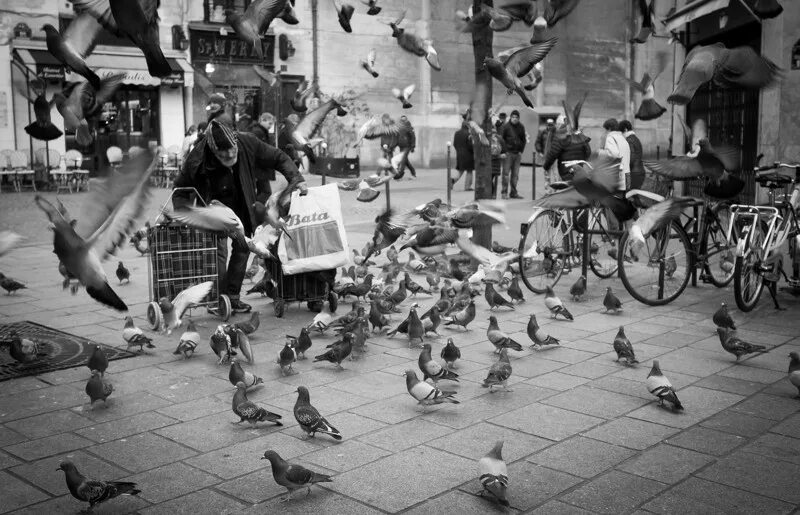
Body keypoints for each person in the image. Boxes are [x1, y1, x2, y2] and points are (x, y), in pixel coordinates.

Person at [173, 116, 307, 314]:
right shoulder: (198, 158)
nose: (229, 153)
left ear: (235, 140)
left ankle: (232, 298)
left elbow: (278, 157)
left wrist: (296, 178)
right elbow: (181, 188)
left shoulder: (247, 142)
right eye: (223, 152)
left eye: (232, 148)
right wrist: (183, 215)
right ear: (212, 149)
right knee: (217, 252)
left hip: (242, 204)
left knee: (243, 248)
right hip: (213, 210)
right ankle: (220, 299)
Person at [499, 110, 527, 199]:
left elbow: (523, 140)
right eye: (513, 117)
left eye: (516, 117)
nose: (515, 119)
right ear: (510, 117)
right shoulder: (506, 127)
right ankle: (504, 192)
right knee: (506, 174)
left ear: (518, 118)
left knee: (515, 175)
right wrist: (503, 151)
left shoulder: (521, 127)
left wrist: (521, 151)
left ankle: (513, 192)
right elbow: (501, 139)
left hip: (517, 154)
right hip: (508, 153)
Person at [600, 118, 631, 191]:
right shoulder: (622, 138)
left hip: (617, 176)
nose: (605, 132)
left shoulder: (610, 137)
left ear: (609, 129)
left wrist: (600, 152)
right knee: (624, 198)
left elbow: (614, 154)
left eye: (605, 130)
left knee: (614, 199)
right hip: (627, 174)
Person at [619, 120, 645, 190]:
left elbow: (630, 159)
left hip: (633, 173)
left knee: (628, 195)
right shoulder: (635, 138)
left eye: (621, 132)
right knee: (632, 196)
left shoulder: (629, 140)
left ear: (625, 129)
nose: (621, 134)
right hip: (639, 171)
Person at [452, 115, 474, 191]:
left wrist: (459, 150)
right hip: (468, 155)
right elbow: (470, 145)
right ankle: (467, 187)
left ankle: (452, 181)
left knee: (461, 170)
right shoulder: (469, 134)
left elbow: (454, 144)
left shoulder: (457, 133)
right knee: (469, 170)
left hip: (459, 154)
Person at [395, 115, 417, 180]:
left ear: (406, 120)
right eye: (402, 120)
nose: (403, 121)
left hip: (407, 146)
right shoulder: (399, 127)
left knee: (402, 159)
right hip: (401, 146)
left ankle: (399, 175)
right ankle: (413, 173)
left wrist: (413, 146)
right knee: (405, 161)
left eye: (404, 120)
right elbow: (397, 137)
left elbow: (413, 137)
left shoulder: (409, 127)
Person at [490, 125, 507, 198]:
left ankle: (492, 195)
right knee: (489, 179)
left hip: (491, 162)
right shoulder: (499, 138)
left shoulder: (484, 137)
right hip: (496, 163)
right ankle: (492, 195)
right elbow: (504, 152)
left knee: (488, 180)